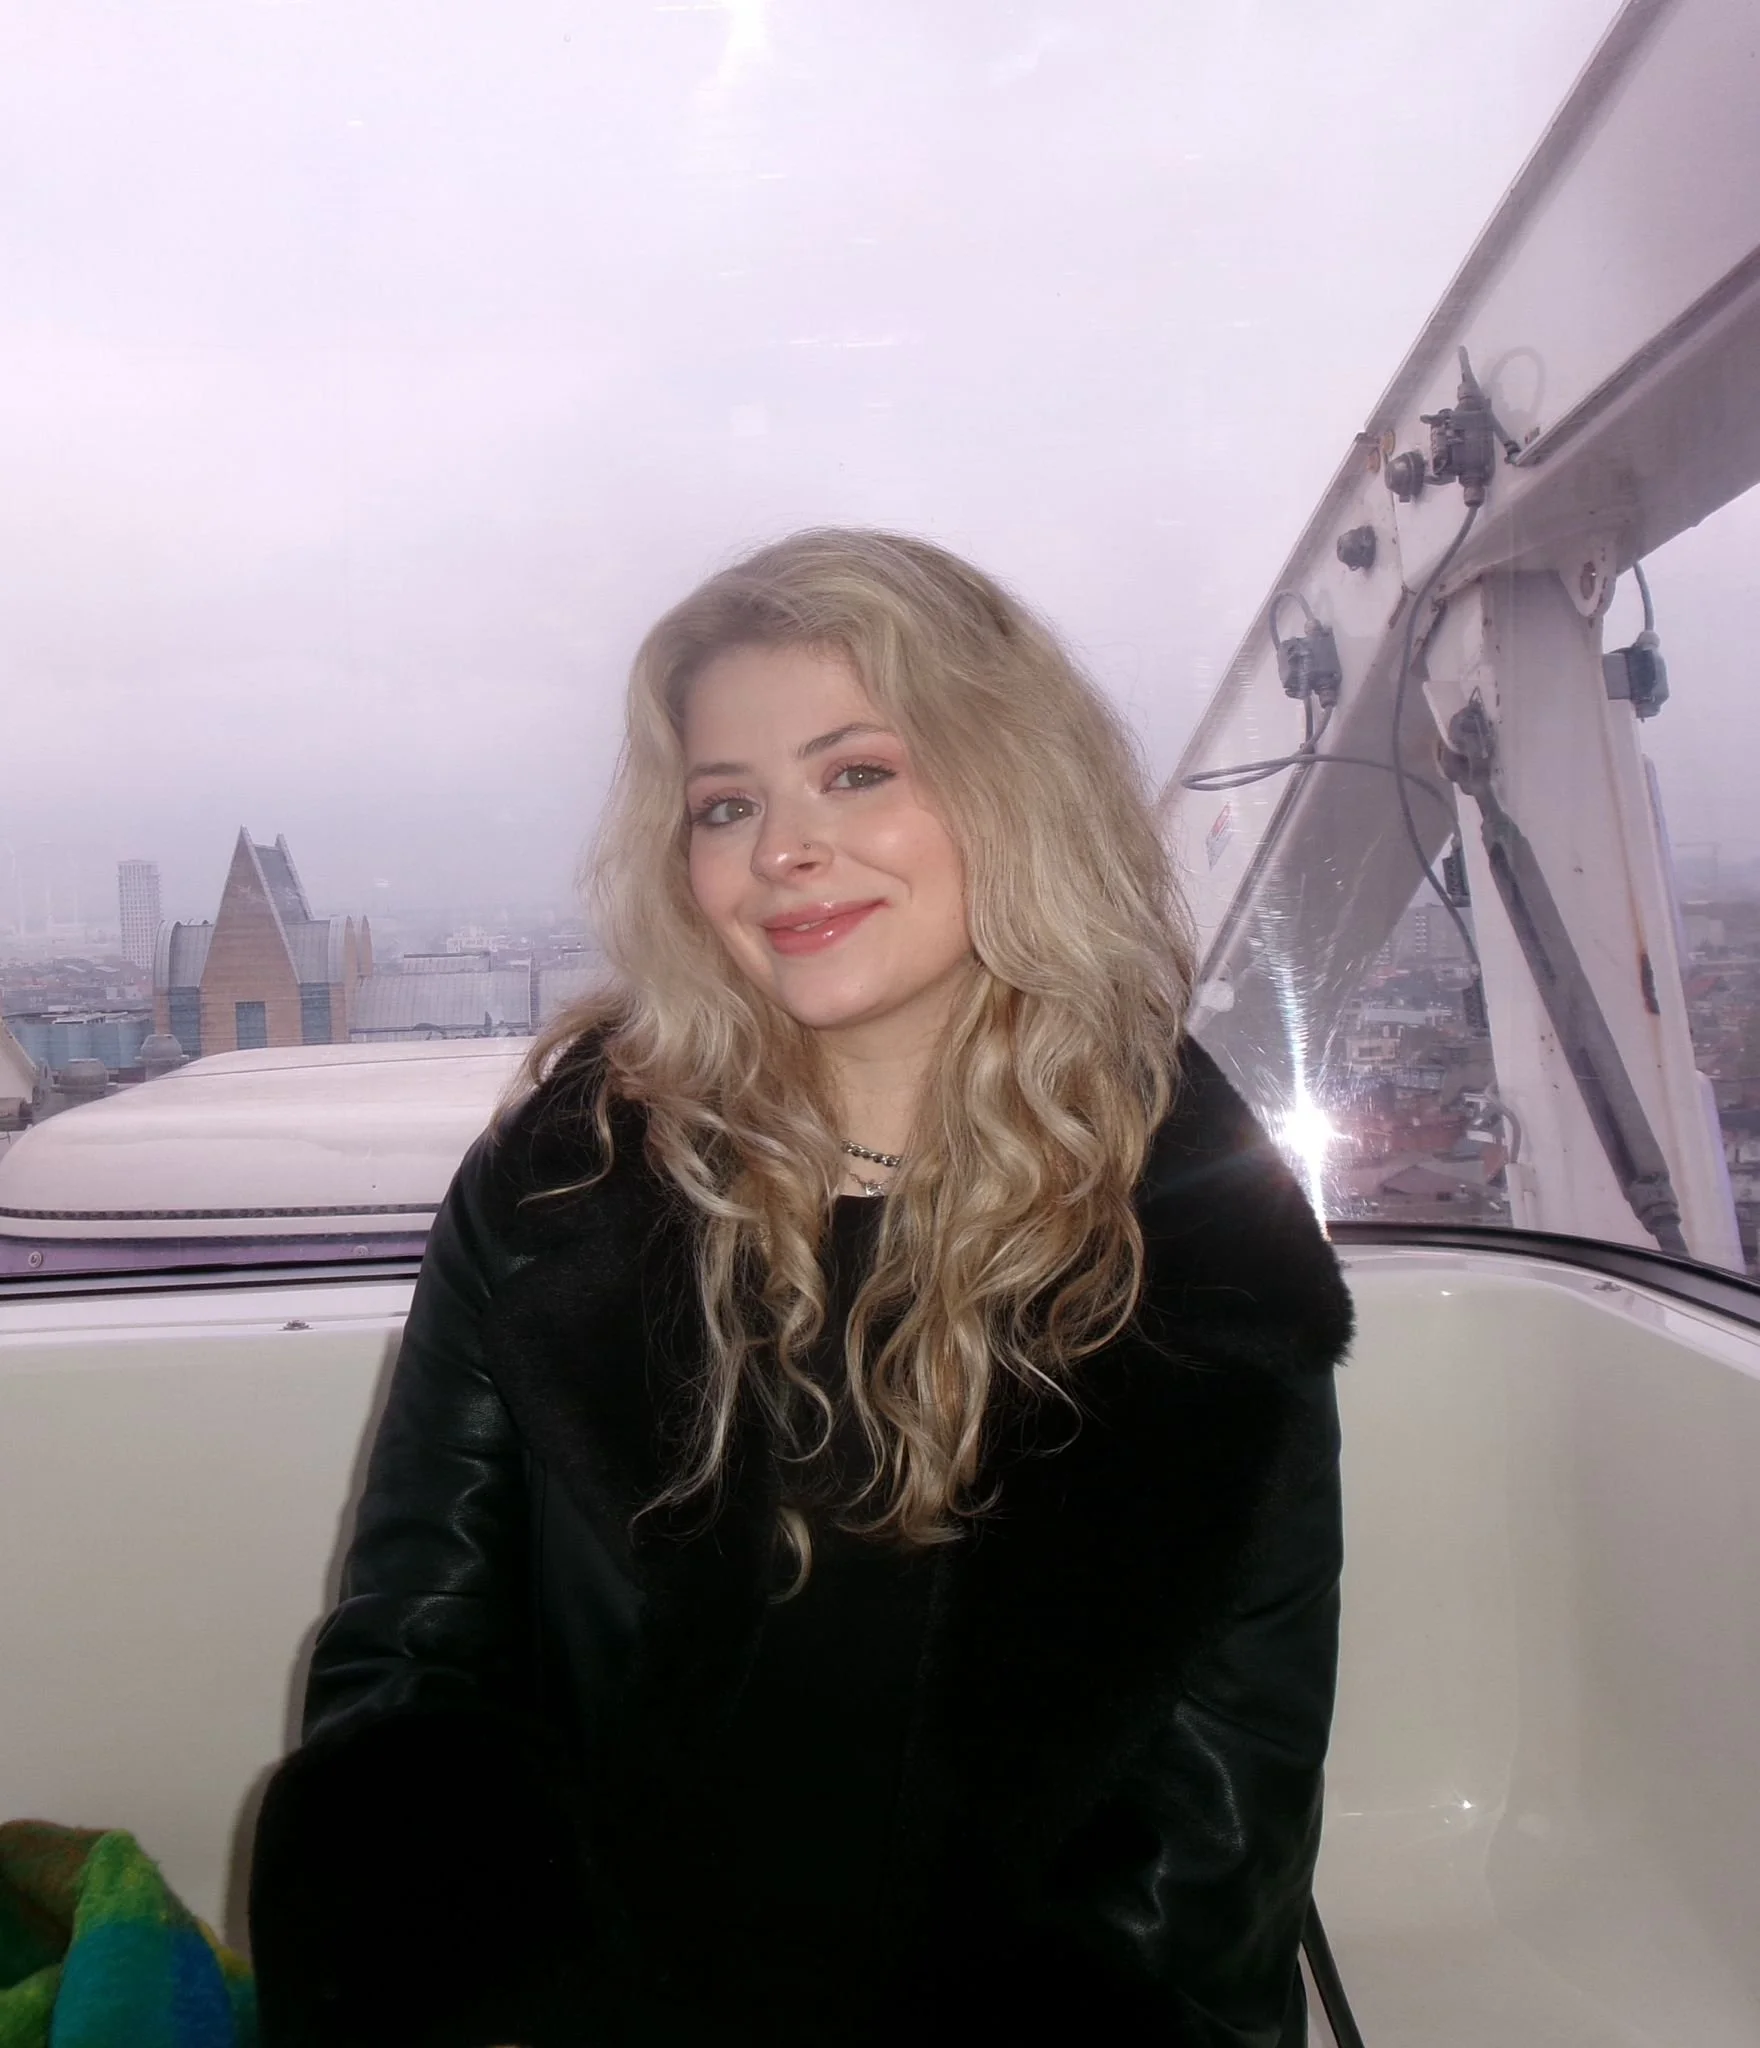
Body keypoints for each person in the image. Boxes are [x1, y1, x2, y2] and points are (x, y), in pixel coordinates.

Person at [248, 529, 1353, 2048]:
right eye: (727, 805)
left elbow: (1218, 1817)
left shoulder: (1200, 1242)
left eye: (857, 774)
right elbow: (412, 1672)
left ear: (1010, 791)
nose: (782, 852)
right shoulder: (563, 1199)